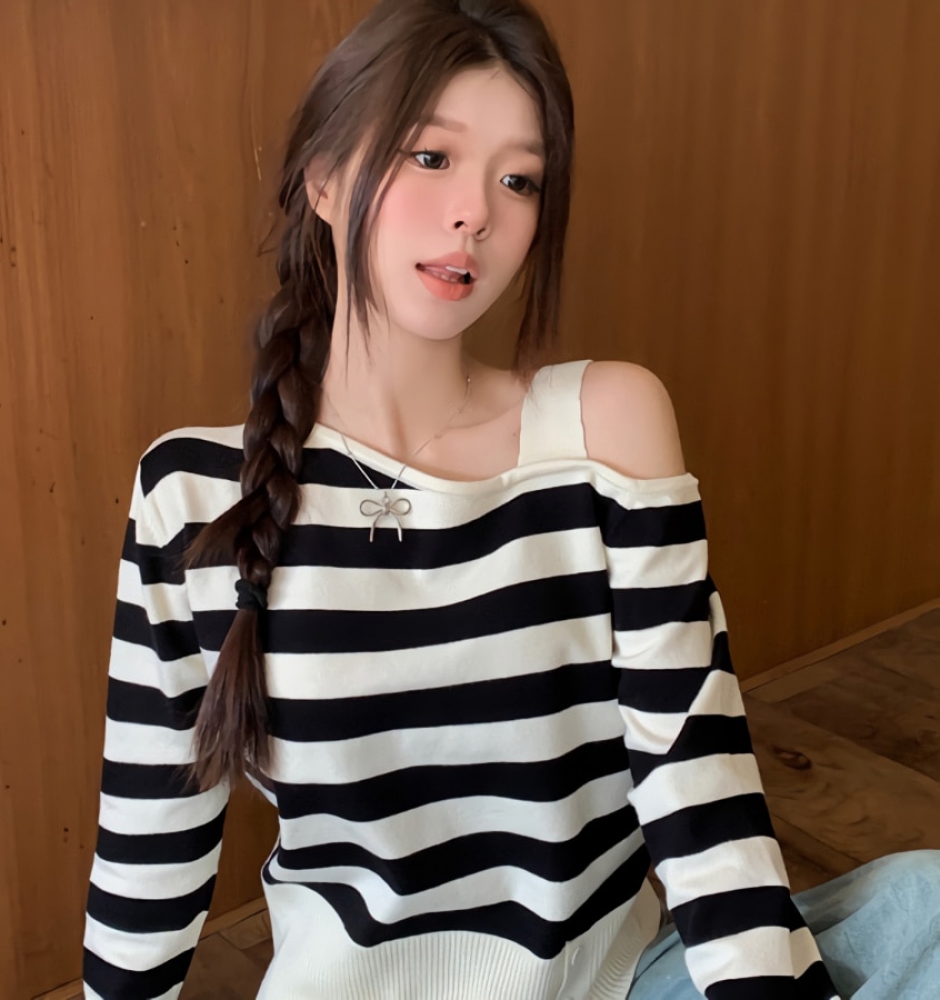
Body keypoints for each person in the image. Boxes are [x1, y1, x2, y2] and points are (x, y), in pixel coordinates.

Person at [82, 2, 940, 998]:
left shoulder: (604, 426)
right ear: (323, 178)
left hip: (613, 979)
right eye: (430, 156)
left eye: (519, 179)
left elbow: (696, 778)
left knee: (924, 904)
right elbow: (151, 846)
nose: (476, 213)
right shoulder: (191, 495)